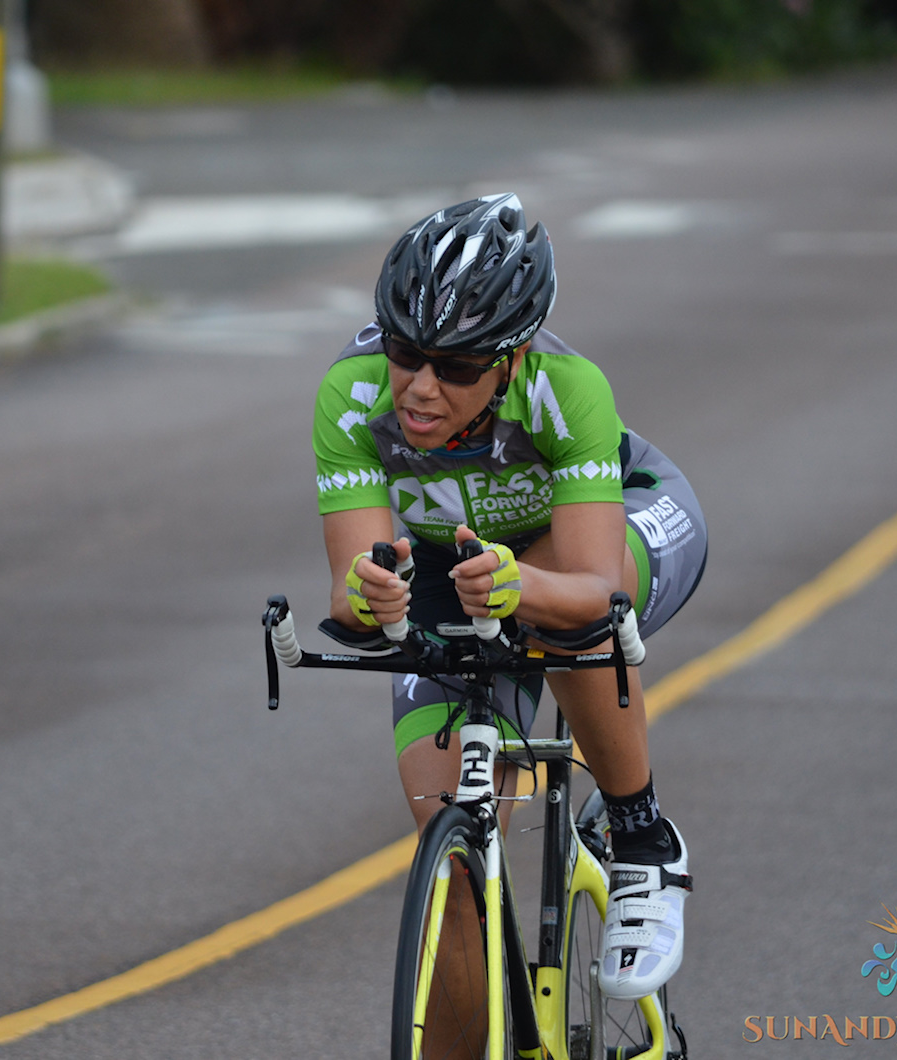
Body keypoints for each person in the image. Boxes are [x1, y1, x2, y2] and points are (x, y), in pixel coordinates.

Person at [314, 193, 707, 1007]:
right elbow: (352, 597)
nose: (419, 388)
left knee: (558, 604)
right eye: (403, 351)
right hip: (457, 567)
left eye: (455, 368)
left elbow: (596, 589)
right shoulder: (353, 395)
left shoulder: (567, 388)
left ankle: (642, 835)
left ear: (511, 357)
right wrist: (369, 590)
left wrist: (520, 585)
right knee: (448, 862)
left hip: (612, 532)